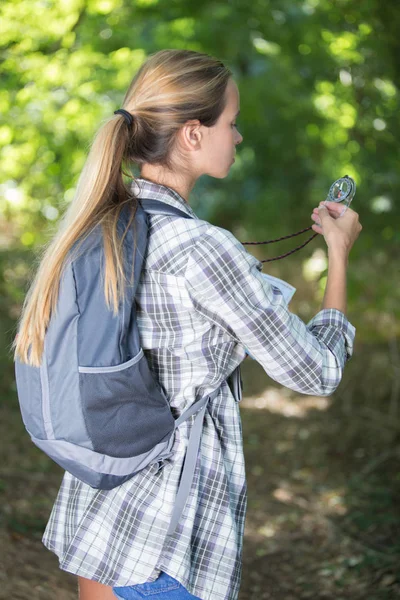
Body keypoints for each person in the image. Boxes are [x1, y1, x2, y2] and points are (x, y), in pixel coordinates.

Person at [13, 49, 362, 600]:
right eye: (231, 122)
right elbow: (316, 373)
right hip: (166, 540)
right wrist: (338, 256)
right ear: (193, 135)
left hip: (99, 514)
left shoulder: (102, 223)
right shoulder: (202, 248)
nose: (239, 137)